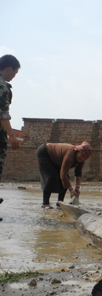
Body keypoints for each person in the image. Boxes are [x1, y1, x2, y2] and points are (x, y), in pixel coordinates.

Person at [36, 142, 92, 208]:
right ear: (78, 151)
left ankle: (60, 202)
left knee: (65, 179)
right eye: (82, 156)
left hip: (56, 160)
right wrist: (71, 190)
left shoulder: (81, 160)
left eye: (85, 158)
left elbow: (78, 173)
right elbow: (63, 174)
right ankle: (45, 203)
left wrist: (77, 188)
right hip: (45, 153)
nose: (82, 159)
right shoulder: (70, 154)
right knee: (52, 177)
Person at [0, 55, 21, 222]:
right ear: (8, 69)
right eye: (14, 73)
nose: (13, 76)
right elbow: (2, 114)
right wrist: (12, 135)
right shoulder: (2, 87)